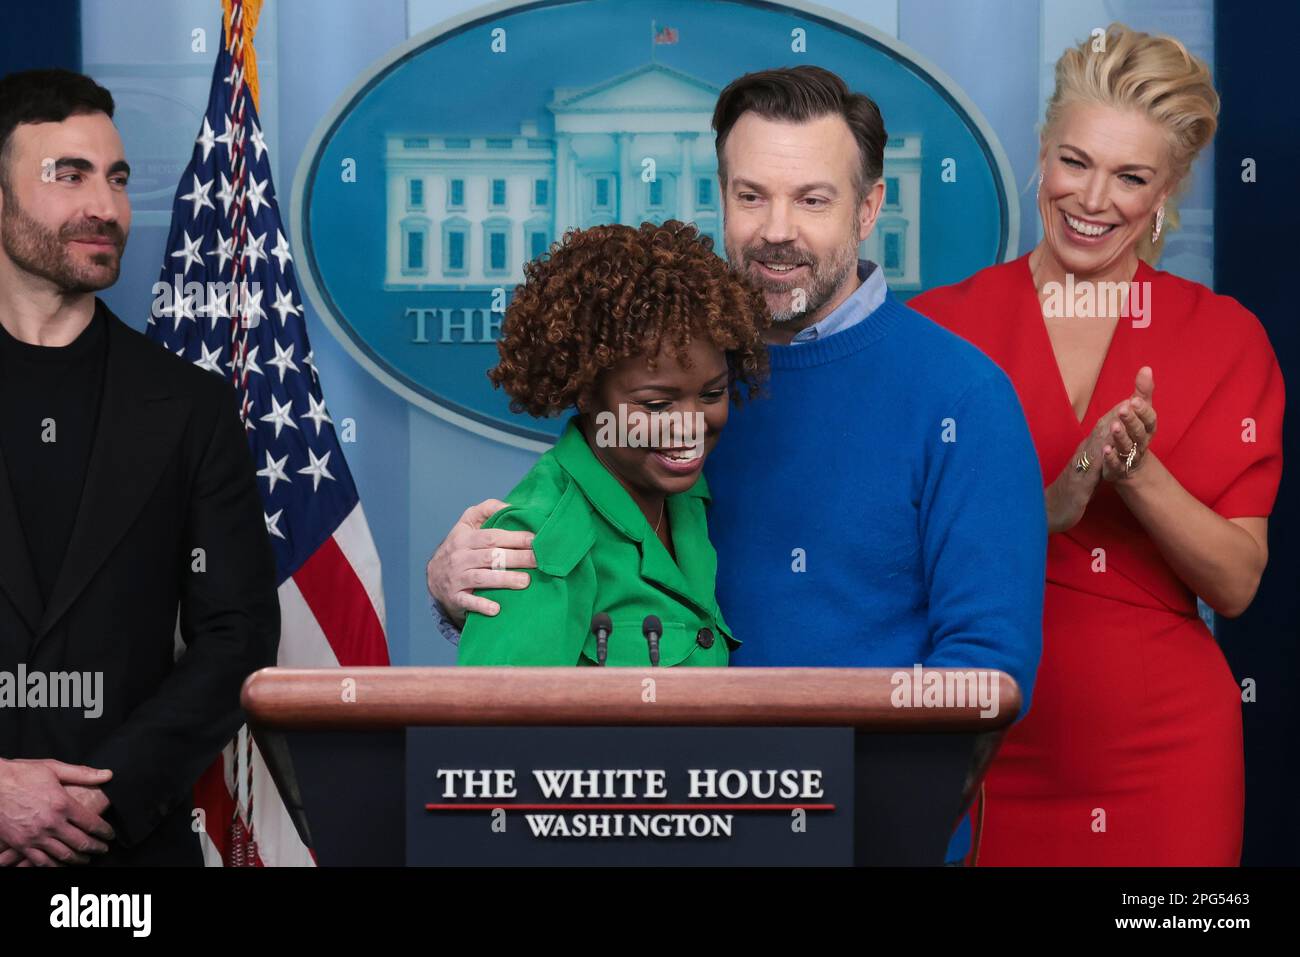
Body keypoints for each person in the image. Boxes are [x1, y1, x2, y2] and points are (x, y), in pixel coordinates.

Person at [427, 67, 1048, 862]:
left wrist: (813, 807)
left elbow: (987, 671)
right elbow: (577, 570)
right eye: (751, 195)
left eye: (812, 199)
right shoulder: (659, 375)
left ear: (867, 209)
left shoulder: (964, 397)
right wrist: (460, 584)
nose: (776, 229)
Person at [911, 23, 1284, 865]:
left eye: (1131, 177)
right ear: (1042, 151)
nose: (1092, 198)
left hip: (1165, 756)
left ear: (1169, 191)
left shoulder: (1226, 338)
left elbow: (1236, 583)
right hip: (981, 736)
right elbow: (888, 558)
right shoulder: (937, 329)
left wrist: (1138, 475)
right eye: (1074, 161)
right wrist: (1042, 509)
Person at [0, 69, 279, 866]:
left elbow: (239, 632)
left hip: (125, 861)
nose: (106, 207)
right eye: (70, 175)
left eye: (117, 179)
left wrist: (95, 800)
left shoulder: (190, 406)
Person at [457, 220, 769, 666]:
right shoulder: (536, 538)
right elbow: (496, 730)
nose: (690, 427)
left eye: (712, 394)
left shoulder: (685, 493)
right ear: (586, 393)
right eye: (657, 404)